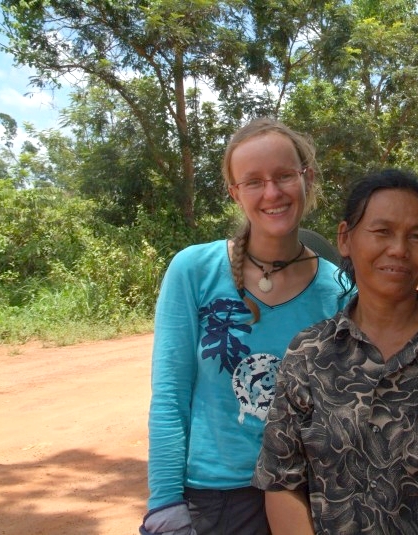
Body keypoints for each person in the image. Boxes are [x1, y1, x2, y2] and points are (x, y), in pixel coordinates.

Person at [253, 169, 418, 534]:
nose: (399, 250)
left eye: (416, 236)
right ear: (345, 238)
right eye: (382, 231)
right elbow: (282, 483)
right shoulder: (309, 354)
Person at [141, 118, 352, 535]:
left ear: (306, 178)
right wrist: (164, 503)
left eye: (284, 176)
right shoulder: (193, 271)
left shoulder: (339, 291)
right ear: (234, 192)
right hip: (215, 501)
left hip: (307, 499)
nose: (272, 193)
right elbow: (169, 396)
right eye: (253, 181)